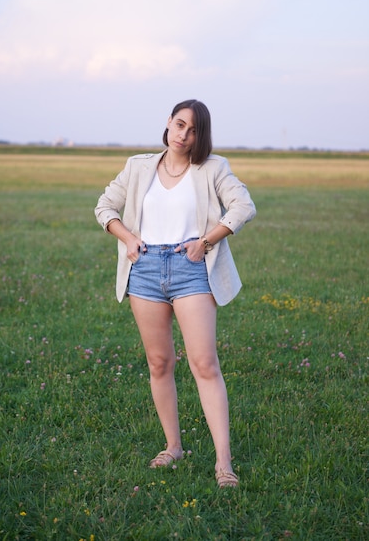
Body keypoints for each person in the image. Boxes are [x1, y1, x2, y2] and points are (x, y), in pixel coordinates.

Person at [94, 99, 256, 488]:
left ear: (202, 135)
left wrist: (207, 240)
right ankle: (173, 446)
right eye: (180, 124)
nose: (184, 135)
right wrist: (128, 237)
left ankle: (223, 463)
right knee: (159, 362)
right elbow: (104, 206)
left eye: (194, 129)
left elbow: (243, 206)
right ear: (168, 123)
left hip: (191, 269)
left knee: (204, 363)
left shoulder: (213, 167)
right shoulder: (138, 166)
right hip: (145, 269)